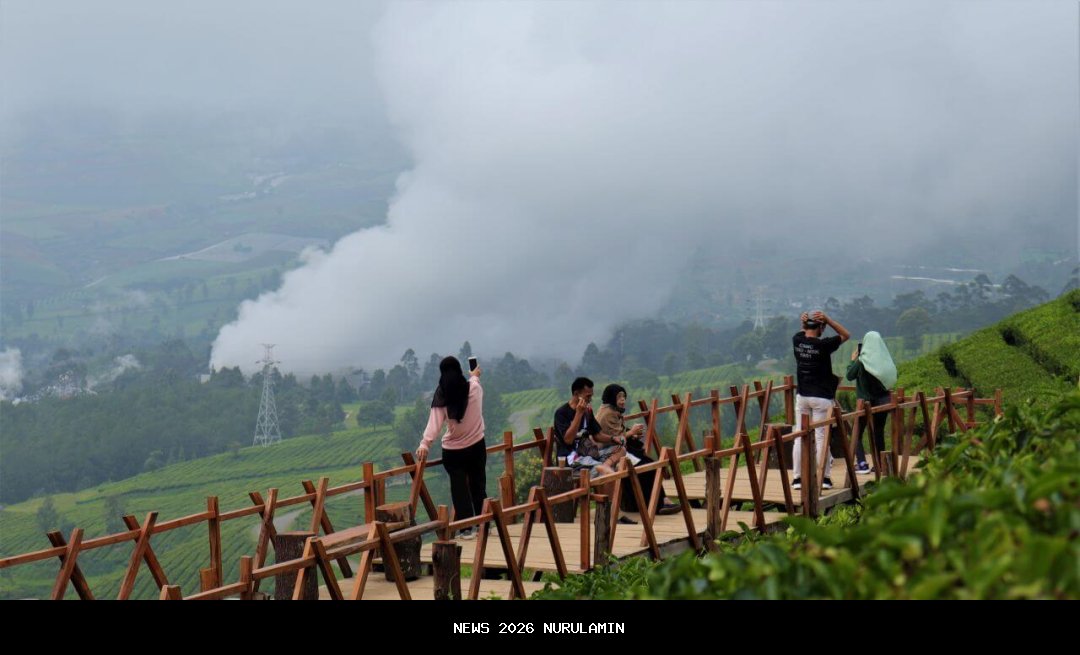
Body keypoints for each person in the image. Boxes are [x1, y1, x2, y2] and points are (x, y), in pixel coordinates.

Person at [416, 356, 486, 539]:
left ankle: (466, 529)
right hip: (477, 446)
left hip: (453, 452)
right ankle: (483, 523)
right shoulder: (475, 388)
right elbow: (474, 381)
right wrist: (475, 375)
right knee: (478, 484)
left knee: (459, 489)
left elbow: (434, 424)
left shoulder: (442, 395)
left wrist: (425, 443)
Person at [594, 383, 681, 515]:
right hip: (611, 453)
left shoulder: (611, 411)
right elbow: (613, 438)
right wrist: (631, 432)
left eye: (624, 396)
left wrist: (631, 434)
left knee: (649, 464)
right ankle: (656, 505)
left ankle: (660, 500)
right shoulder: (607, 415)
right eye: (619, 397)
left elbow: (618, 434)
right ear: (611, 398)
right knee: (647, 468)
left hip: (618, 450)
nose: (622, 400)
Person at [791, 309, 850, 490]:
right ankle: (824, 478)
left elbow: (804, 332)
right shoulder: (824, 346)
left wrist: (805, 322)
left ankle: (797, 479)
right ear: (821, 328)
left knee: (800, 437)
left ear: (805, 326)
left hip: (802, 397)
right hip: (822, 398)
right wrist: (828, 319)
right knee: (821, 437)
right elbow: (845, 334)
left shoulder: (797, 341)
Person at [846, 331, 897, 474]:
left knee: (857, 433)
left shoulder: (863, 361)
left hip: (864, 403)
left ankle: (862, 463)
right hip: (883, 400)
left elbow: (849, 375)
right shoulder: (884, 360)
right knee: (878, 432)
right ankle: (880, 465)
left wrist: (853, 360)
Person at [552, 377, 624, 477]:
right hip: (572, 460)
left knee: (620, 449)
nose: (590, 399)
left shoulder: (587, 411)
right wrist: (578, 414)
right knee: (605, 472)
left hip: (589, 454)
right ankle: (603, 468)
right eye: (587, 396)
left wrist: (612, 439)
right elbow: (568, 439)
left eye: (591, 396)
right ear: (577, 394)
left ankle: (605, 466)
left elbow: (597, 435)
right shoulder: (561, 413)